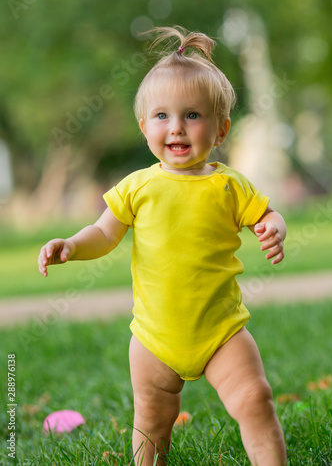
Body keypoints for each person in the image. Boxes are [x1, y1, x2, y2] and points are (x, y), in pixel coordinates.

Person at [38, 26, 287, 466]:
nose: (176, 127)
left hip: (222, 332)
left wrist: (274, 227)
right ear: (143, 127)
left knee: (255, 399)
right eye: (162, 116)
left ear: (222, 128)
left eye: (193, 115)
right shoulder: (137, 187)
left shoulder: (230, 185)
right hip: (154, 337)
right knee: (152, 418)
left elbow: (265, 214)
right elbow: (104, 233)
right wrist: (72, 246)